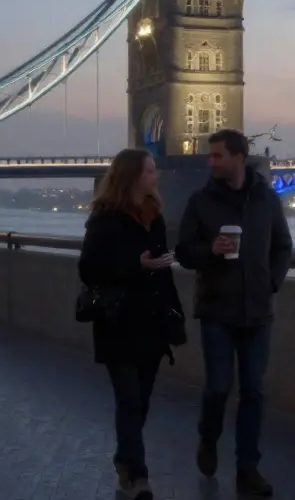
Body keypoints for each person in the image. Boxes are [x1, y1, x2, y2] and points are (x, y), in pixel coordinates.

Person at [176, 129, 293, 497]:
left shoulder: (268, 200)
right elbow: (182, 251)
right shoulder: (200, 202)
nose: (210, 162)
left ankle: (248, 469)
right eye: (209, 156)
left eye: (217, 156)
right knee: (218, 388)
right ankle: (208, 439)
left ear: (239, 157)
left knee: (254, 392)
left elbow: (283, 246)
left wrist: (271, 282)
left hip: (258, 311)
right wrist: (209, 249)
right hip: (216, 310)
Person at [77, 148, 185, 500]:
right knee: (129, 400)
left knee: (142, 401)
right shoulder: (104, 219)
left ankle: (125, 457)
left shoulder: (155, 218)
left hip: (152, 324)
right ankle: (138, 477)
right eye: (151, 170)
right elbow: (89, 270)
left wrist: (174, 312)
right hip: (119, 323)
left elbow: (160, 270)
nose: (157, 175)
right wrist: (135, 265)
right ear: (133, 176)